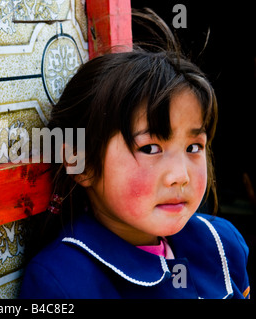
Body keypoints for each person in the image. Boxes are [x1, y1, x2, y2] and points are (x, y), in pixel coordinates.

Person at [19, 10, 250, 299]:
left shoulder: (221, 244)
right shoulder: (64, 280)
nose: (180, 176)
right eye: (150, 148)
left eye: (194, 147)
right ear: (81, 162)